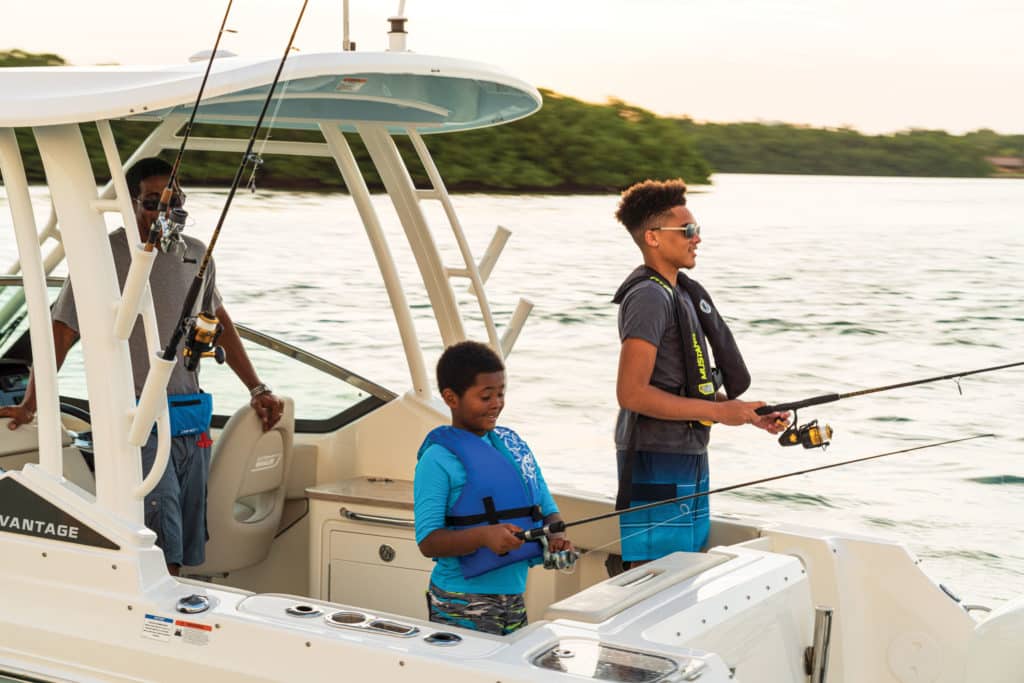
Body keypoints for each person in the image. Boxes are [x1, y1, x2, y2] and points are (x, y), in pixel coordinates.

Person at [0, 157, 284, 575]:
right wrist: (30, 405)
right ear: (130, 203)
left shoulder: (196, 255)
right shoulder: (101, 257)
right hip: (136, 420)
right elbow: (61, 334)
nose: (167, 213)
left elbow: (219, 323)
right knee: (158, 537)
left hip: (190, 415)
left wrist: (257, 389)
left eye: (176, 202)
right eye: (154, 203)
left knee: (185, 541)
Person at [612, 178, 787, 567]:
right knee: (656, 579)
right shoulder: (648, 297)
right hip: (655, 457)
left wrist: (741, 412)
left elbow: (679, 385)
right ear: (654, 238)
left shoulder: (679, 293)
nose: (697, 239)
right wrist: (719, 413)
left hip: (688, 452)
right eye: (688, 230)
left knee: (683, 573)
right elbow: (632, 394)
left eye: (697, 230)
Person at [414, 341, 574, 636]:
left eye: (501, 394)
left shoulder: (513, 447)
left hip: (513, 598)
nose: (496, 403)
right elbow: (428, 541)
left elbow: (547, 508)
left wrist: (556, 536)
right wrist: (482, 536)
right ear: (451, 398)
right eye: (486, 396)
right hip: (460, 601)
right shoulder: (437, 460)